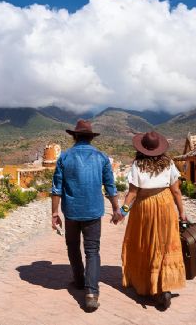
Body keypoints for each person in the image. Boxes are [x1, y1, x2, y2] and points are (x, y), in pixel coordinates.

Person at [51, 119, 122, 312]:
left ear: (74, 136)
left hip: (72, 212)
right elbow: (110, 187)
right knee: (92, 251)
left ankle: (79, 280)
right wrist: (116, 209)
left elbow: (56, 188)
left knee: (72, 246)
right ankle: (91, 293)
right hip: (93, 211)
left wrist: (54, 213)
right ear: (91, 138)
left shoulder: (64, 157)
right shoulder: (101, 157)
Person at [113, 131, 187, 310]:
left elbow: (132, 193)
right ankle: (164, 285)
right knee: (166, 243)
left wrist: (121, 212)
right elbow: (176, 191)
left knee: (146, 244)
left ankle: (149, 284)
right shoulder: (169, 164)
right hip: (166, 205)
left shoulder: (138, 165)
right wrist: (182, 213)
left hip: (144, 207)